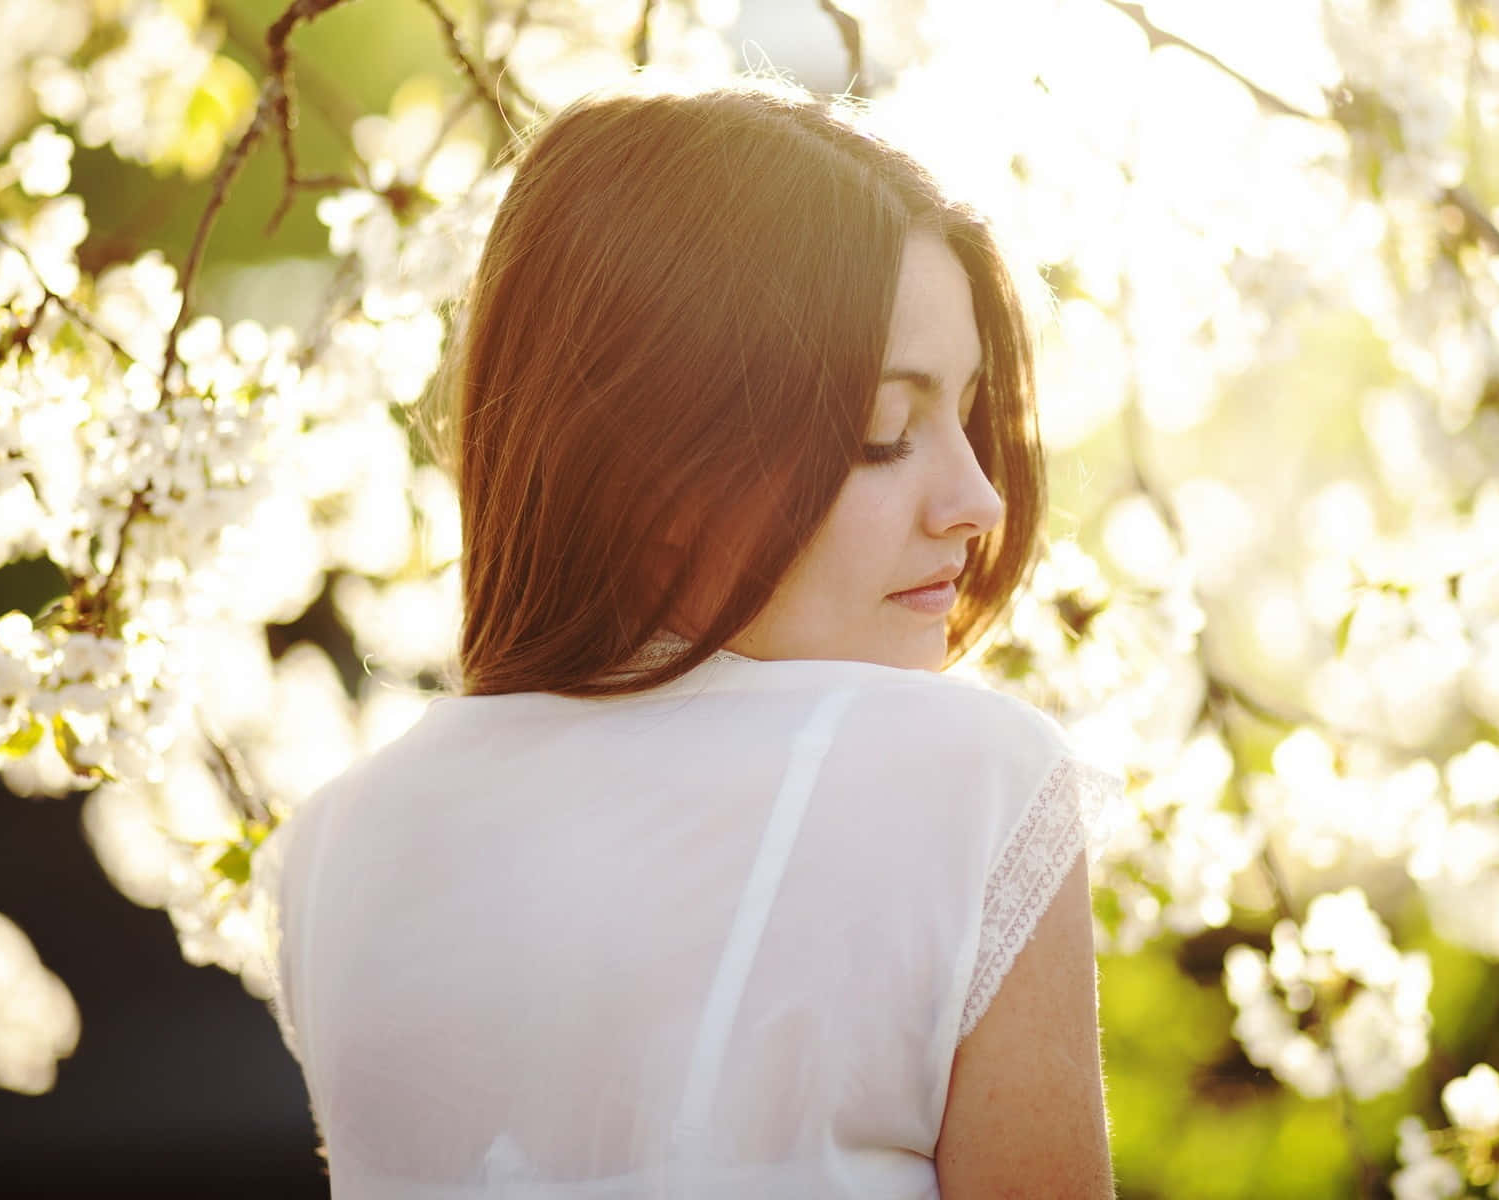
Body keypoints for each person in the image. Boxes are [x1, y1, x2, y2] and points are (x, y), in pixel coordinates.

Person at [260, 74, 1124, 1199]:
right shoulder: (970, 784)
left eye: (964, 419)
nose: (979, 501)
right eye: (882, 430)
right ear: (657, 451)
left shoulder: (333, 852)